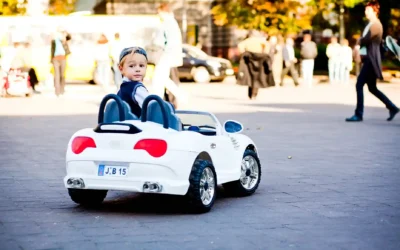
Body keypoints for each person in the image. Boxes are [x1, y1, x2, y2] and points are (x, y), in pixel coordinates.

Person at [346, 1, 399, 122]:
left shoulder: (376, 25)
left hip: (371, 59)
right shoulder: (370, 24)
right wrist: (360, 41)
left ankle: (358, 114)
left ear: (375, 11)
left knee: (359, 84)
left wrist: (359, 41)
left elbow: (365, 39)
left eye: (368, 10)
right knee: (372, 88)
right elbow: (364, 39)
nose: (366, 12)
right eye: (366, 10)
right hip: (369, 59)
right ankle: (392, 107)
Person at [151, 2, 188, 106]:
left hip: (166, 54)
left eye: (159, 13)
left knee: (158, 78)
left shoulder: (165, 23)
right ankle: (181, 95)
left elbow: (159, 41)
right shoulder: (173, 22)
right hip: (173, 54)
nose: (159, 15)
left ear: (163, 12)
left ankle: (157, 100)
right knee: (164, 79)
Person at [117, 47, 150, 118]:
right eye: (131, 66)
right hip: (137, 126)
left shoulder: (123, 87)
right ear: (121, 68)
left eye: (141, 66)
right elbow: (151, 105)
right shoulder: (137, 89)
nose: (137, 69)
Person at [50, 27, 71, 97]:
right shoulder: (54, 40)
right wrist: (51, 59)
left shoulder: (64, 39)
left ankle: (62, 90)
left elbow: (69, 37)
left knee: (62, 75)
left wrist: (65, 33)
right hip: (55, 58)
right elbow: (52, 50)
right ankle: (57, 92)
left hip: (63, 58)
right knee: (56, 75)